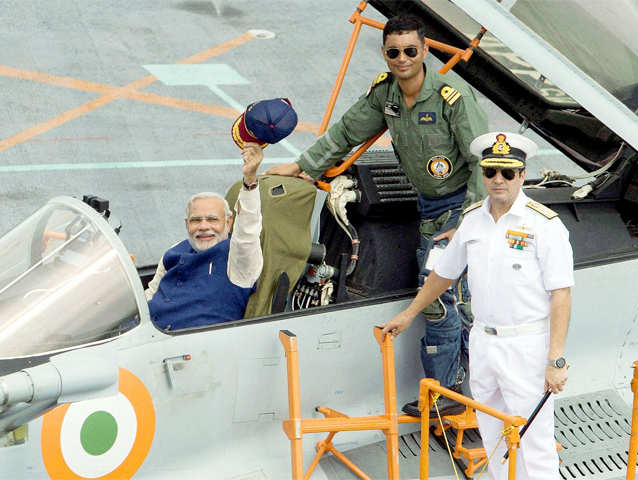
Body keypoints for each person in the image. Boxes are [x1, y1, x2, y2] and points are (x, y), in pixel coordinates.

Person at [266, 14, 488, 414]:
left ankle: (445, 396)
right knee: (462, 301)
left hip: (461, 209)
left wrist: (463, 225)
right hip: (429, 209)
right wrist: (302, 166)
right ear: (385, 54)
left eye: (410, 51)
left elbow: (482, 162)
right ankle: (482, 383)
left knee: (436, 298)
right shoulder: (385, 96)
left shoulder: (452, 97)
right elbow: (346, 133)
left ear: (424, 51)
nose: (402, 59)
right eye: (393, 52)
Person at [382, 132, 573, 479]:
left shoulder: (544, 226)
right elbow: (443, 274)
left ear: (522, 174)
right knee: (493, 436)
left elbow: (561, 294)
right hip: (484, 341)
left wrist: (555, 359)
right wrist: (409, 314)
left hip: (527, 345)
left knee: (535, 442)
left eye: (507, 172)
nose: (498, 180)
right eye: (490, 172)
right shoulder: (471, 220)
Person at [145, 143, 264, 330]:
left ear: (229, 222)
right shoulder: (174, 250)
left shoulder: (238, 259)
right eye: (195, 220)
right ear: (187, 224)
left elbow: (248, 231)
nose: (203, 226)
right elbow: (151, 294)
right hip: (146, 334)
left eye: (212, 219)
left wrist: (250, 181)